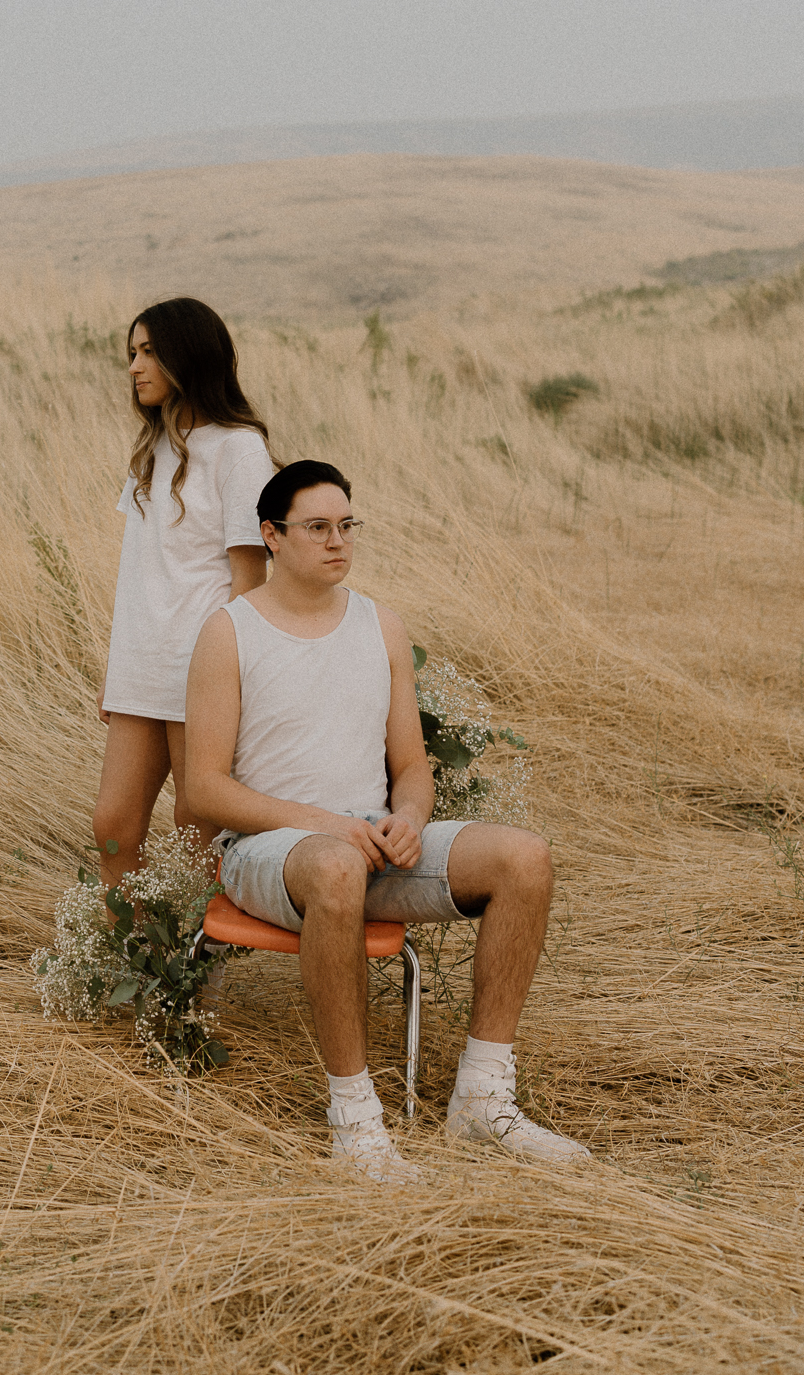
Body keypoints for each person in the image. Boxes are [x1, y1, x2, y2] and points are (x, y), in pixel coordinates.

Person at [184, 458, 591, 1183]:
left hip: (373, 844)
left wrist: (408, 817)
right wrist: (327, 827)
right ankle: (356, 1121)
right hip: (269, 853)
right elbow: (205, 790)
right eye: (317, 528)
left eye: (347, 526)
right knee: (336, 865)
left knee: (524, 858)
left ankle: (482, 1100)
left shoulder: (381, 626)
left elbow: (411, 767)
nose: (337, 542)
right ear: (271, 536)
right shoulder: (230, 632)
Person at [93, 297, 274, 888]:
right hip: (143, 665)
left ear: (185, 355)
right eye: (132, 353)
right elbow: (136, 569)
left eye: (148, 352)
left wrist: (234, 678)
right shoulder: (153, 447)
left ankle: (199, 980)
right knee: (114, 827)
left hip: (203, 665)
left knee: (196, 834)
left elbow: (249, 578)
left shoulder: (238, 448)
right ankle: (135, 969)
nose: (134, 366)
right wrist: (116, 672)